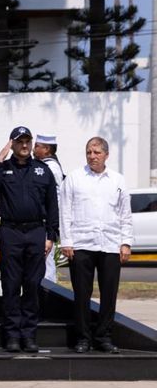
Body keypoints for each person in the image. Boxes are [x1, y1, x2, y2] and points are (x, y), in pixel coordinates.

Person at [0, 126, 58, 353]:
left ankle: (29, 335)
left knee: (32, 285)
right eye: (19, 142)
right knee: (11, 284)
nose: (24, 145)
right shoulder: (3, 169)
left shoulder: (42, 170)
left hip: (36, 232)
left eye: (28, 141)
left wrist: (51, 236)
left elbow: (52, 205)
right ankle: (12, 336)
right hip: (11, 232)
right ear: (12, 145)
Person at [60, 136, 132, 354]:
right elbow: (65, 210)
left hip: (110, 244)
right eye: (89, 152)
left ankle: (104, 336)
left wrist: (126, 242)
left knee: (109, 294)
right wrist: (67, 241)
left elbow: (125, 214)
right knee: (81, 294)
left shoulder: (118, 180)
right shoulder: (74, 178)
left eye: (97, 152)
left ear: (106, 155)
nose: (92, 156)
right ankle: (83, 338)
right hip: (81, 244)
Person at [34, 134, 65, 282]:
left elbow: (55, 199)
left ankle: (47, 298)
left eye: (37, 146)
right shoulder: (47, 165)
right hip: (43, 221)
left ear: (46, 149)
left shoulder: (50, 168)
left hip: (46, 222)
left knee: (45, 263)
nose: (33, 149)